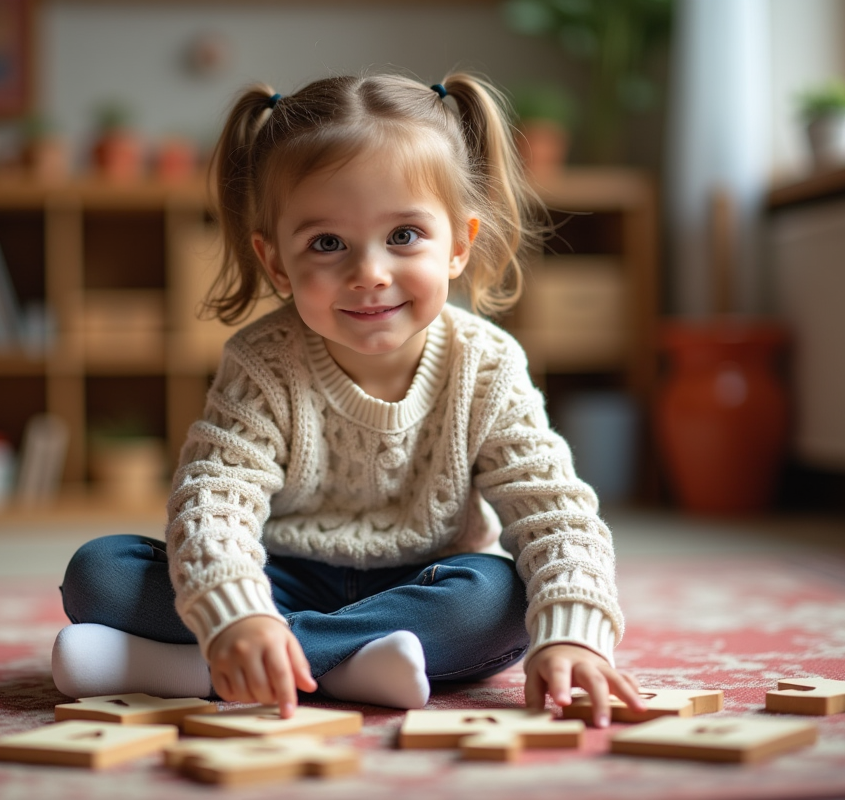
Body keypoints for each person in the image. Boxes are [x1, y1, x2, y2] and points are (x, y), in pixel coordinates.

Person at [53, 71, 644, 727]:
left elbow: (553, 509)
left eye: (404, 236)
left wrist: (573, 633)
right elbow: (214, 497)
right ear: (277, 263)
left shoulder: (488, 363)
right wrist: (240, 612)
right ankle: (342, 662)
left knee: (499, 598)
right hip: (277, 574)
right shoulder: (263, 361)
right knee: (101, 571)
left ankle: (195, 668)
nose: (370, 274)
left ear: (460, 244)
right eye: (327, 243)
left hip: (421, 588)